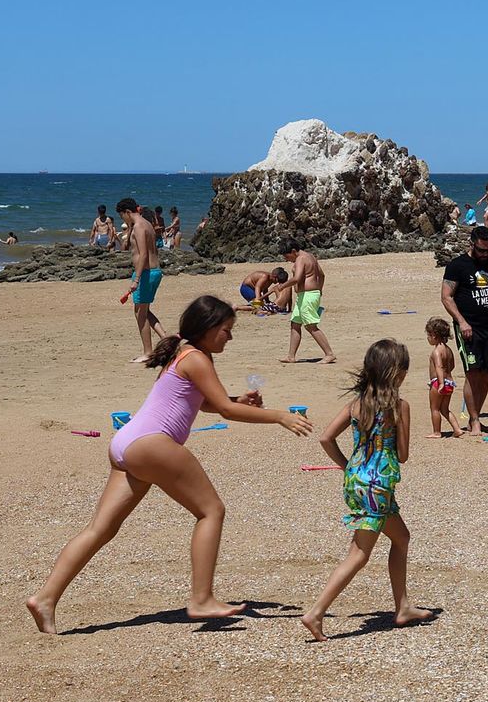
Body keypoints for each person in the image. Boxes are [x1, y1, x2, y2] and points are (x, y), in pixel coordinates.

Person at [26, 296, 313, 634]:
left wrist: (237, 398)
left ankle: (44, 598)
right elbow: (225, 411)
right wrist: (279, 416)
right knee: (211, 511)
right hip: (152, 444)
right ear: (207, 329)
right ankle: (202, 598)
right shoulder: (196, 358)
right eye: (226, 331)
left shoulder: (184, 351)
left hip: (127, 442)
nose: (230, 338)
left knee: (99, 530)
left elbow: (206, 403)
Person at [301, 338, 433, 641]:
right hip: (380, 484)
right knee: (359, 553)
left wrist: (348, 465)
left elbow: (325, 438)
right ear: (396, 373)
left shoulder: (356, 405)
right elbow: (401, 455)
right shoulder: (400, 407)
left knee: (401, 538)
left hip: (357, 480)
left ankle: (402, 606)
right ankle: (316, 612)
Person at [440, 226, 488, 435]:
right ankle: (474, 421)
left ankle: (477, 416)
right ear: (471, 244)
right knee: (473, 373)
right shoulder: (457, 266)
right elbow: (446, 296)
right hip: (468, 328)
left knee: (486, 374)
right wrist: (462, 322)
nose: (485, 254)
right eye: (481, 250)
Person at [271, 240, 337, 364]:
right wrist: (319, 290)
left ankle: (329, 354)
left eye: (287, 256)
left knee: (310, 325)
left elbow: (297, 278)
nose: (286, 259)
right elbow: (322, 275)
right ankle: (291, 356)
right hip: (306, 295)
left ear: (293, 251)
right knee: (295, 323)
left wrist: (282, 286)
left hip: (308, 295)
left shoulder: (301, 259)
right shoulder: (311, 257)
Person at [117, 198, 167, 364]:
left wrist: (136, 279)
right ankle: (166, 339)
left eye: (122, 216)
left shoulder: (139, 226)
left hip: (145, 273)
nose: (122, 220)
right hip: (154, 271)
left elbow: (143, 254)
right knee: (144, 310)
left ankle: (148, 353)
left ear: (127, 212)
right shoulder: (146, 223)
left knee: (140, 313)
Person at [421, 318, 462, 438]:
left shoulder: (437, 352)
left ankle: (436, 432)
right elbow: (452, 365)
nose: (428, 338)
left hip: (438, 383)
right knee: (445, 409)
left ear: (434, 335)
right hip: (450, 382)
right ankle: (457, 429)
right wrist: (446, 377)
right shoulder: (448, 350)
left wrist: (440, 383)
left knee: (434, 408)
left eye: (429, 335)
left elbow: (438, 366)